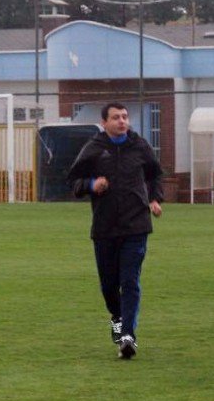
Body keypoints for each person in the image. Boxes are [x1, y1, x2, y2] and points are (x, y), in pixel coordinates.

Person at [66, 102, 163, 360]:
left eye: (125, 116)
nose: (122, 121)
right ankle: (117, 318)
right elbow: (74, 182)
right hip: (105, 227)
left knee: (130, 281)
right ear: (105, 122)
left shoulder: (140, 146)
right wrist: (91, 184)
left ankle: (128, 335)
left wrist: (154, 199)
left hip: (136, 224)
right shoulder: (94, 149)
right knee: (109, 286)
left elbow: (155, 174)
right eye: (116, 117)